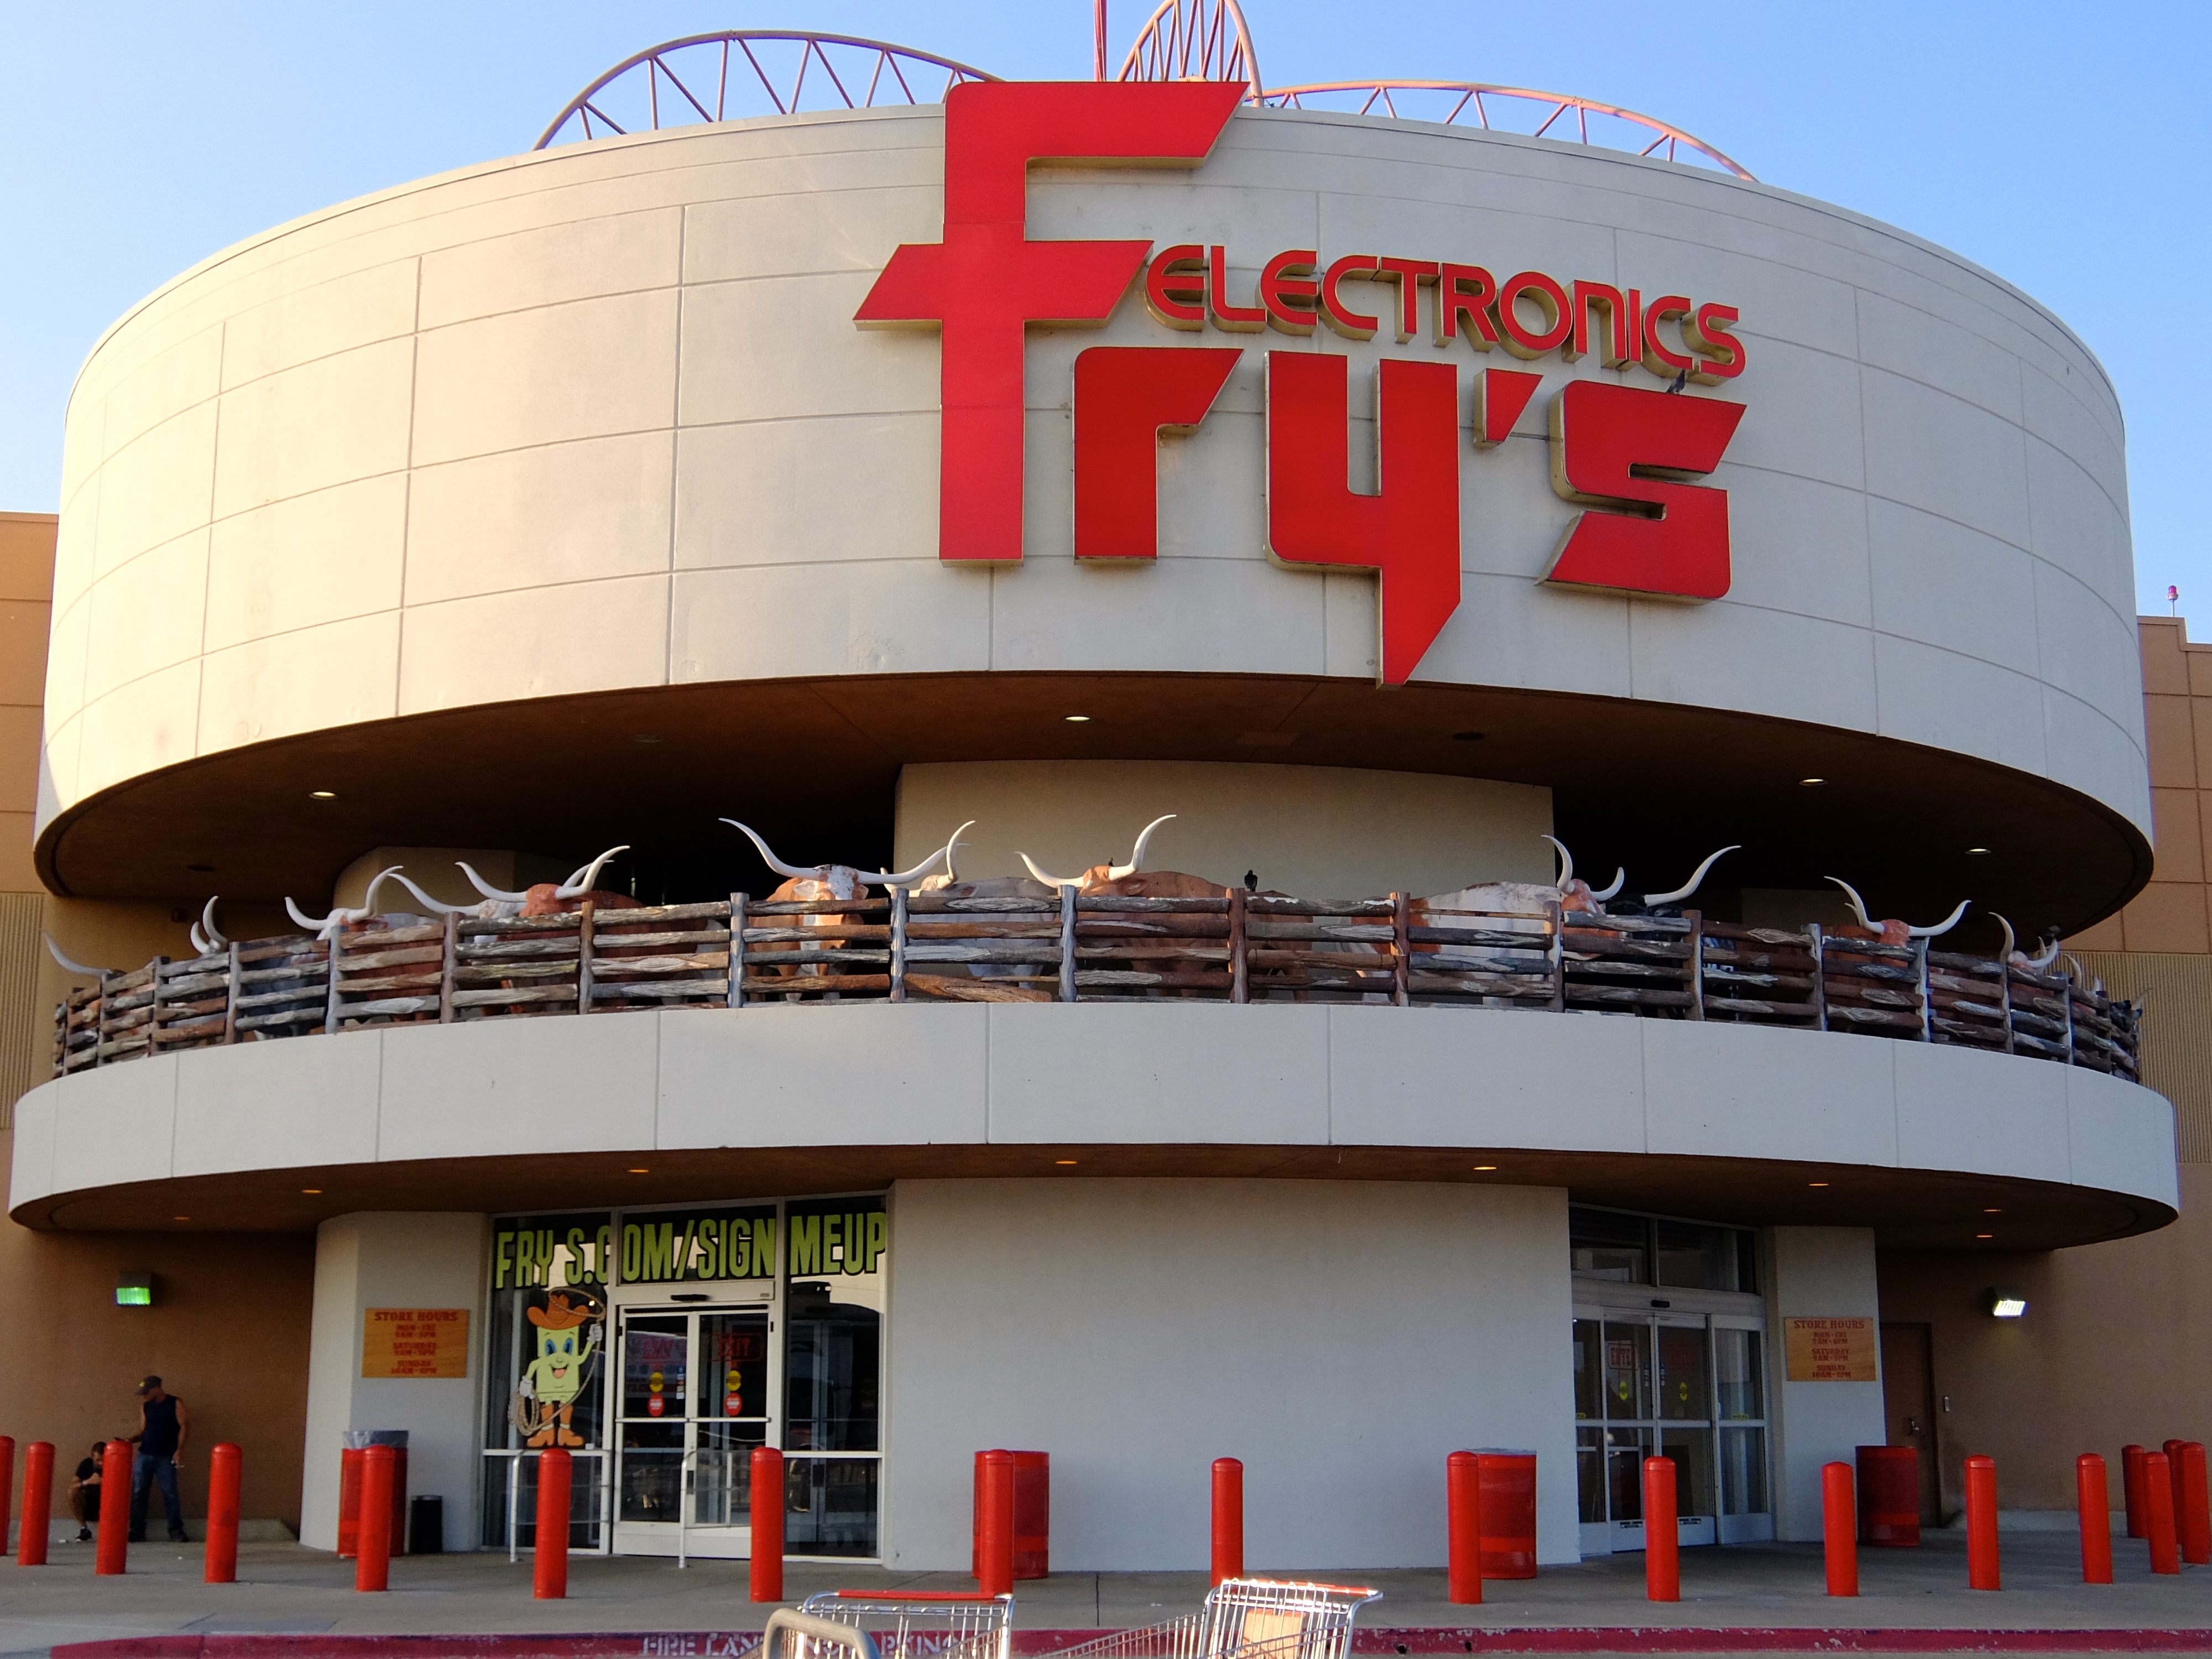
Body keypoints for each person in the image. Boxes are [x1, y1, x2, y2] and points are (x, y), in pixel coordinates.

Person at [126, 1375, 190, 1543]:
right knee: (139, 1493)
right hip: (145, 1454)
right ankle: (137, 1531)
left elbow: (184, 1426)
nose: (144, 1395)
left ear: (156, 1388)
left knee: (170, 1494)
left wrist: (179, 1451)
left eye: (146, 1392)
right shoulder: (146, 1406)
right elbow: (144, 1430)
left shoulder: (175, 1403)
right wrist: (131, 1440)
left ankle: (176, 1531)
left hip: (166, 1456)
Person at [67, 1441, 105, 1542]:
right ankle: (84, 1529)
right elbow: (72, 1486)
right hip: (88, 1503)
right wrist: (87, 1482)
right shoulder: (87, 1464)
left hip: (107, 1504)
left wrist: (106, 1482)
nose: (101, 1463)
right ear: (93, 1457)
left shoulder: (114, 1464)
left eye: (104, 1460)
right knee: (72, 1493)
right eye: (98, 1460)